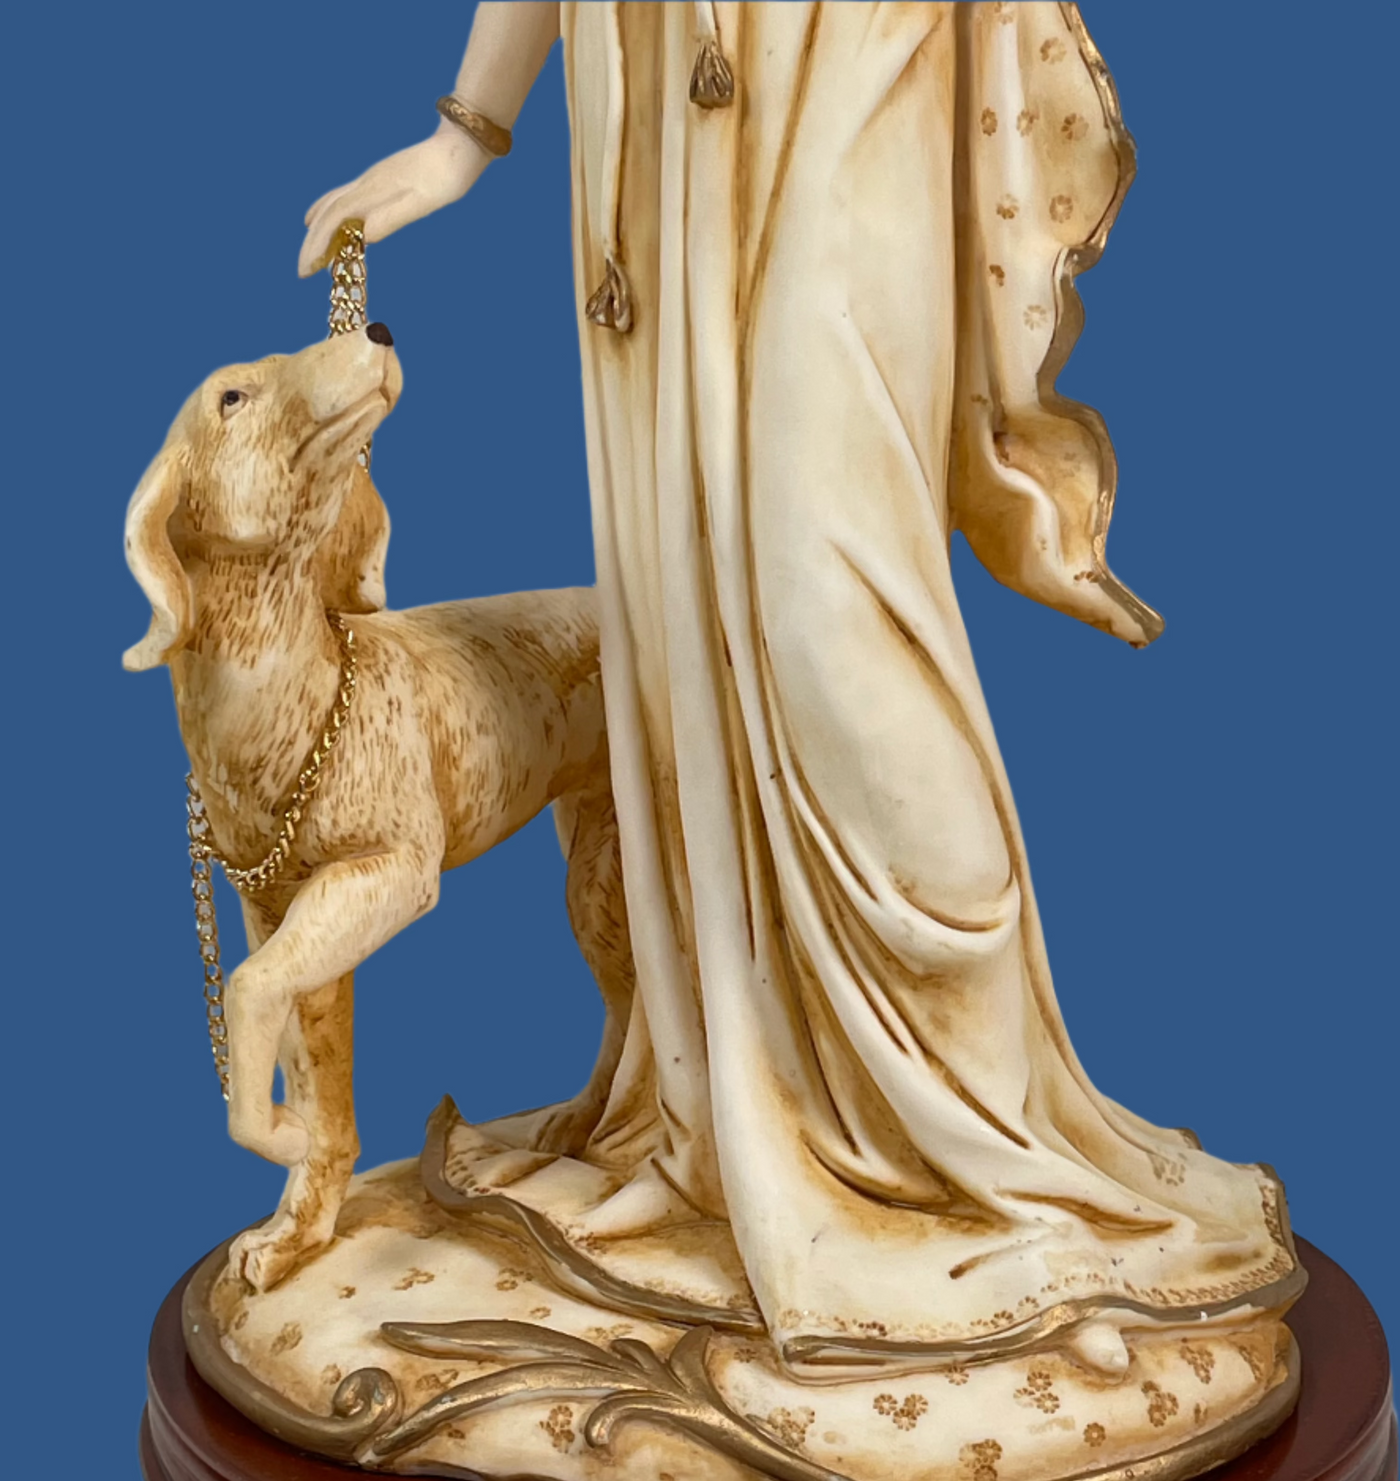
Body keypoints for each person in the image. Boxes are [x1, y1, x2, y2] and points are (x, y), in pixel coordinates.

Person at [301, 2, 1301, 1381]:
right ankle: (766, 1107)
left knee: (830, 600)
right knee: (691, 610)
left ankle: (978, 1129)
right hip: (665, 95)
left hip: (857, 57)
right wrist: (467, 133)